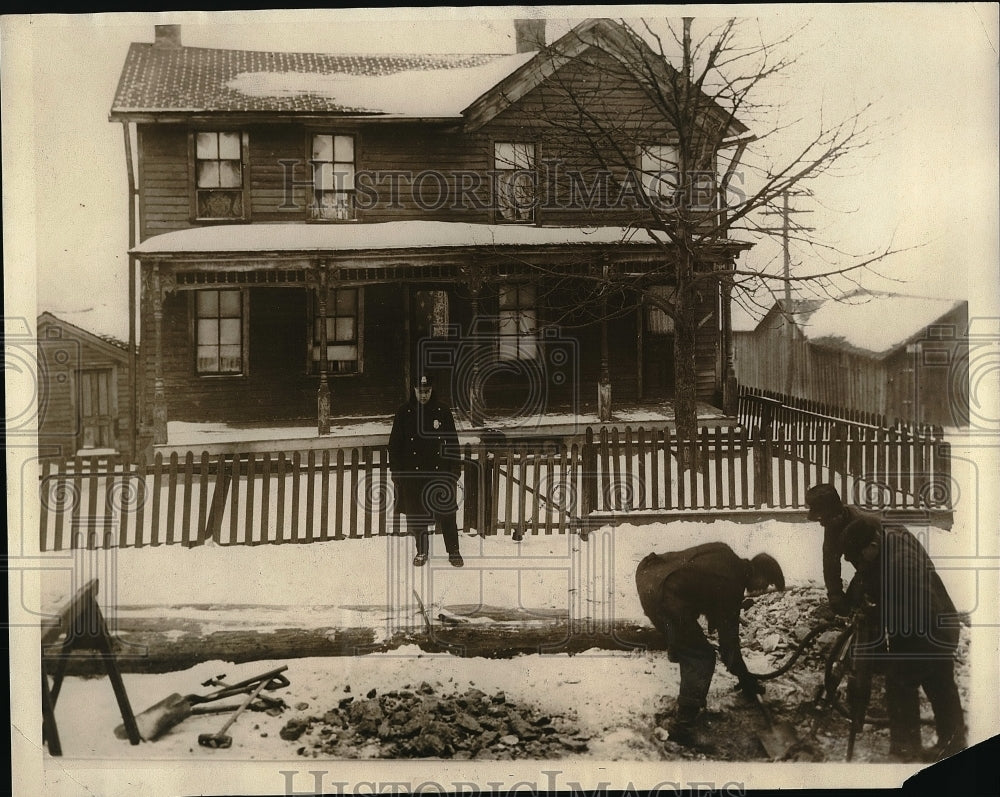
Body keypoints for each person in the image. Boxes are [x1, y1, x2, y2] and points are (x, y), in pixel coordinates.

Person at [635, 542, 785, 746]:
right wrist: (745, 676)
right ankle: (682, 726)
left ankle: (678, 651)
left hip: (650, 575)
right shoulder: (733, 583)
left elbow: (701, 586)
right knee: (701, 656)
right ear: (757, 572)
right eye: (766, 582)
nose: (763, 588)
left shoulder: (725, 555)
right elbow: (728, 645)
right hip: (664, 593)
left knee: (687, 636)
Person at [841, 516, 966, 762]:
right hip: (936, 619)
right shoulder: (883, 535)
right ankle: (954, 745)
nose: (858, 565)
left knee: (900, 682)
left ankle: (905, 753)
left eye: (859, 558)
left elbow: (914, 612)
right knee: (940, 684)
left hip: (925, 627)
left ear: (873, 546)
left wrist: (879, 613)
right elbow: (870, 573)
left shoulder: (902, 564)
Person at [388, 373, 464, 567]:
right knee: (416, 514)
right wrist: (397, 473)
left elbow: (453, 443)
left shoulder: (442, 411)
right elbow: (395, 445)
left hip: (439, 472)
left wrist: (455, 469)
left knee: (447, 513)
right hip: (413, 474)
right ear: (413, 390)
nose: (424, 395)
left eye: (427, 391)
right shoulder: (403, 412)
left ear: (432, 390)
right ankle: (421, 551)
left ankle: (453, 550)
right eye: (420, 391)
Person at [805, 483, 883, 616]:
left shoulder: (863, 523)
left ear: (836, 514)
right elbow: (830, 561)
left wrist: (854, 597)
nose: (822, 523)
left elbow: (870, 569)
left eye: (823, 519)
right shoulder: (833, 525)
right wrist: (835, 594)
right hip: (867, 571)